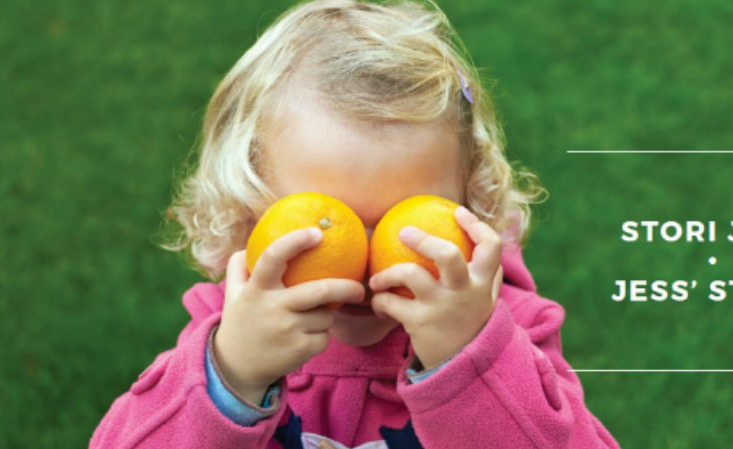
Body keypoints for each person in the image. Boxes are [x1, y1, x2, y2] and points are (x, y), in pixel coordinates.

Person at [91, 0, 620, 447]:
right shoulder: (229, 329)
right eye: (327, 223)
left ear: (470, 203)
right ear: (251, 209)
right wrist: (232, 375)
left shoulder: (510, 326)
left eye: (404, 221)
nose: (367, 267)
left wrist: (470, 360)